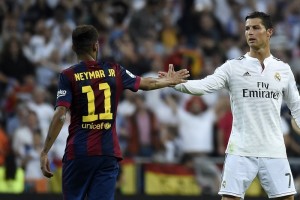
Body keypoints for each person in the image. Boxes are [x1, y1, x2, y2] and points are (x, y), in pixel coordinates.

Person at [39, 24, 189, 200]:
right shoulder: (114, 70)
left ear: (73, 47)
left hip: (79, 153)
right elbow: (148, 84)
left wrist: (44, 151)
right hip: (107, 153)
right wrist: (169, 81)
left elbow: (60, 114)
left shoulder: (68, 76)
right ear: (96, 45)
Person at [161, 11, 299, 200]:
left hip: (274, 149)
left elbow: (296, 106)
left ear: (269, 32)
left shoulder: (283, 70)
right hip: (241, 150)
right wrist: (175, 83)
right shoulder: (233, 67)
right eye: (247, 28)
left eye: (256, 28)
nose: (250, 32)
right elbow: (203, 86)